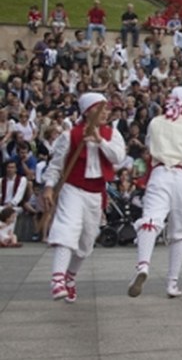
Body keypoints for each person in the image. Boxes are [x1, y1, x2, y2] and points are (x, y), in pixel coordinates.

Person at [128, 87, 182, 299]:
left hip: (159, 173)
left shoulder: (155, 123)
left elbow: (149, 146)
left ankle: (143, 265)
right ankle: (172, 283)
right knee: (180, 231)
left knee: (151, 219)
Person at [44, 93, 126, 303]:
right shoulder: (70, 135)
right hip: (73, 188)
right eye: (103, 109)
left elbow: (119, 158)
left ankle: (70, 276)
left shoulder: (111, 134)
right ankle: (57, 280)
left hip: (96, 193)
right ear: (89, 111)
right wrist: (49, 187)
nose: (107, 113)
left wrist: (100, 142)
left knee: (87, 240)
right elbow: (55, 165)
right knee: (67, 229)